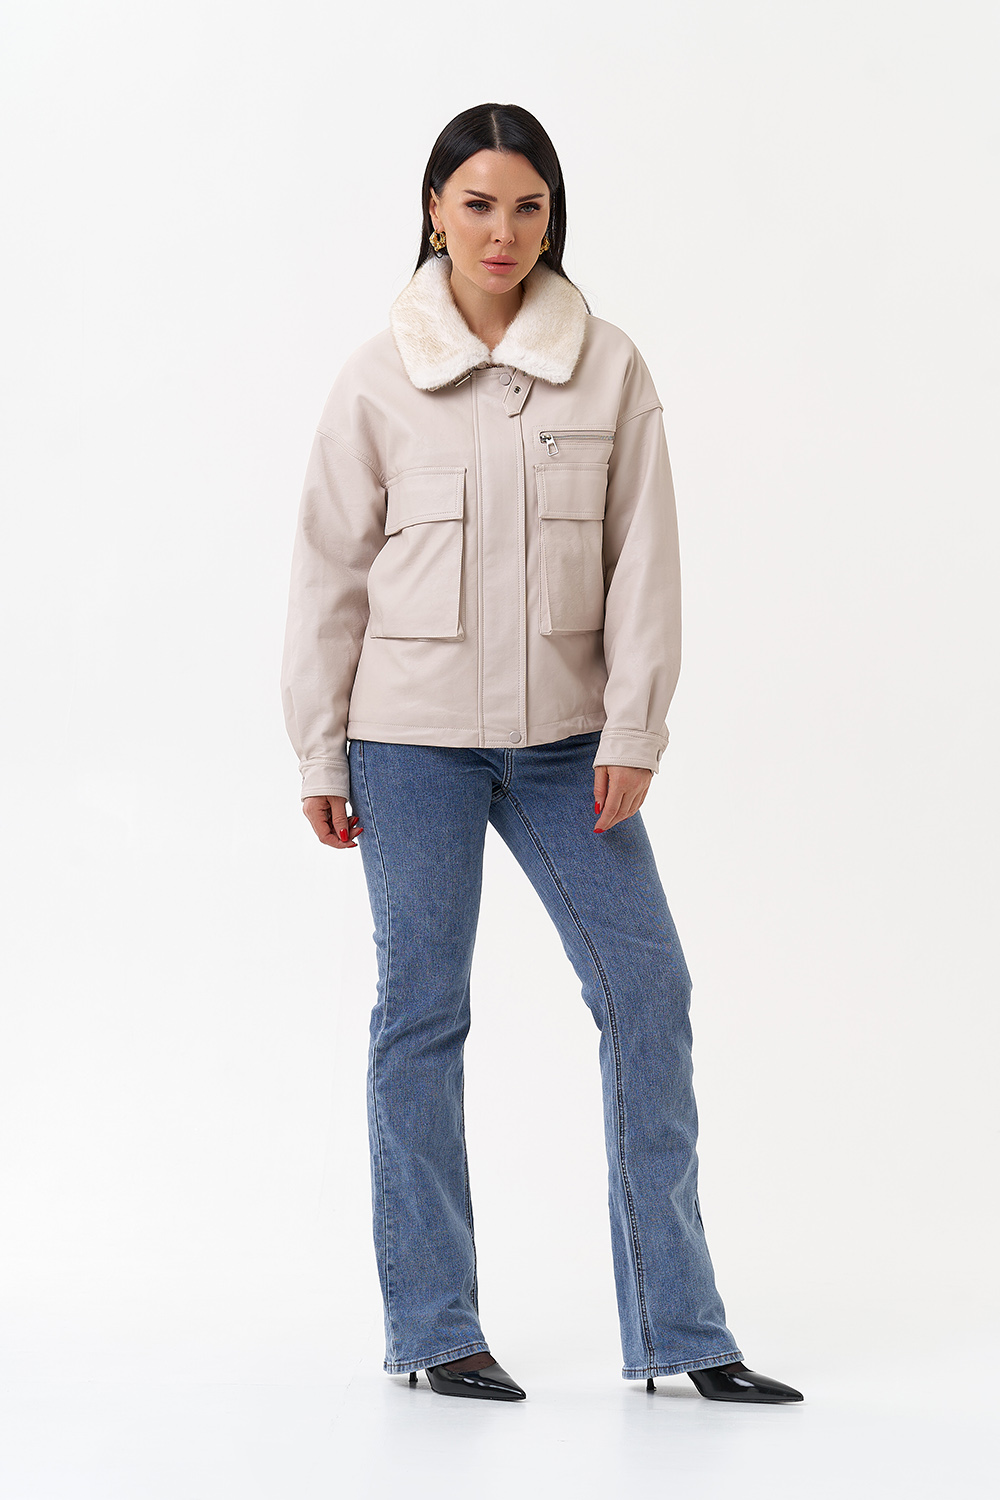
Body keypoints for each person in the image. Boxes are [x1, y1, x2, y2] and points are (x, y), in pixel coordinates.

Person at [279, 102, 803, 1406]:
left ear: (553, 217)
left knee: (649, 992)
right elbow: (327, 574)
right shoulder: (375, 378)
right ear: (433, 211)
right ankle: (433, 1328)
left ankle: (681, 1332)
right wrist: (320, 753)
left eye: (526, 206)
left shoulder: (607, 366)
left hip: (573, 750)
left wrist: (635, 727)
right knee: (421, 1013)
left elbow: (646, 563)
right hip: (409, 742)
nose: (501, 231)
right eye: (476, 204)